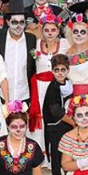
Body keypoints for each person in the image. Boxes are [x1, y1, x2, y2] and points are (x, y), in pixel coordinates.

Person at [27, 12, 69, 152]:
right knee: (40, 117)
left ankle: (53, 154)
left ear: (58, 30)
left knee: (54, 116)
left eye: (53, 30)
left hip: (56, 87)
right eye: (46, 30)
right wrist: (31, 25)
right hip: (39, 88)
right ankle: (39, 154)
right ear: (42, 30)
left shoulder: (65, 44)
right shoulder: (36, 43)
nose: (50, 33)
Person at [0, 0, 36, 108]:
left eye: (22, 22)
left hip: (24, 95)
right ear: (7, 22)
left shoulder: (31, 39)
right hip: (1, 94)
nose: (18, 26)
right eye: (14, 22)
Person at [42, 54, 74, 175]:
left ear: (67, 70)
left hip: (66, 124)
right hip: (55, 126)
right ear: (52, 71)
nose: (60, 73)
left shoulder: (69, 83)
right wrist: (73, 123)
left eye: (63, 70)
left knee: (68, 152)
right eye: (57, 70)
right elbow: (56, 111)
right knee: (57, 154)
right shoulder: (53, 87)